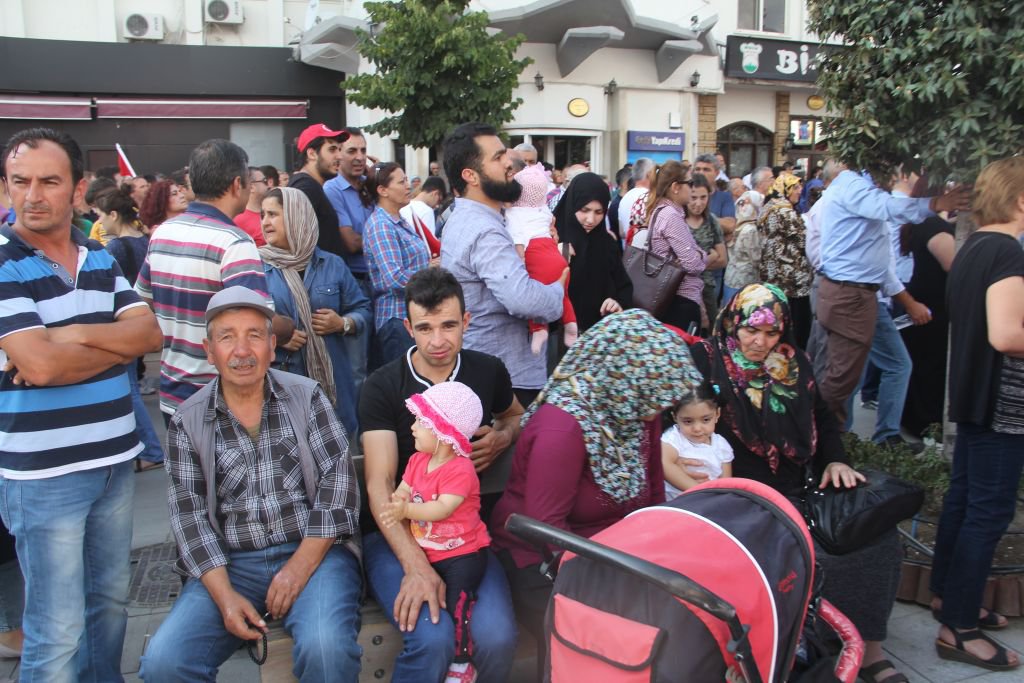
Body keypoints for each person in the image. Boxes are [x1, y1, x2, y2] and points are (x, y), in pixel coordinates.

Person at [0, 127, 163, 681]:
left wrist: (64, 336)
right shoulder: (3, 264)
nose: (33, 195)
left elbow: (149, 335)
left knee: (109, 612)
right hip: (45, 477)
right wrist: (102, 343)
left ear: (76, 190)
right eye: (20, 182)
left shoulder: (97, 256)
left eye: (49, 181)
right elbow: (40, 367)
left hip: (115, 463)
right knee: (56, 632)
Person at [688, 282, 909, 683]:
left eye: (772, 333)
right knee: (813, 557)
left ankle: (869, 645)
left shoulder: (794, 363)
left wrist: (836, 460)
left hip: (796, 490)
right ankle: (805, 645)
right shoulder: (705, 361)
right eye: (751, 330)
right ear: (733, 323)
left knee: (876, 539)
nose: (760, 342)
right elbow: (678, 424)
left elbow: (823, 417)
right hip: (734, 500)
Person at [140, 287, 362, 683]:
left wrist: (297, 569)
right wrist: (225, 599)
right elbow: (189, 519)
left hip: (314, 551)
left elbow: (339, 488)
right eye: (227, 337)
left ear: (272, 346)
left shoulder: (307, 397)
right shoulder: (188, 420)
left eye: (254, 335)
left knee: (327, 648)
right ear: (210, 351)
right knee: (164, 663)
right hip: (232, 563)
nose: (242, 351)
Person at [490, 309, 703, 677]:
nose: (662, 406)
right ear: (626, 377)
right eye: (657, 393)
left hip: (615, 554)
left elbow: (652, 500)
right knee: (606, 631)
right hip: (541, 558)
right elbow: (548, 532)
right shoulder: (564, 429)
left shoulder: (634, 409)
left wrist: (659, 562)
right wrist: (623, 581)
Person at [358, 267, 521, 683]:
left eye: (449, 325)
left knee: (498, 636)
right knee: (432, 638)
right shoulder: (382, 385)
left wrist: (502, 436)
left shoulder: (487, 371)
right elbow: (380, 480)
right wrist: (414, 563)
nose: (437, 341)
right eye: (425, 327)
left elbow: (514, 416)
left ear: (466, 321)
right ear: (408, 326)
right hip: (401, 530)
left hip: (465, 535)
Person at [930, 157, 1024, 672]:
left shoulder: (973, 249)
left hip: (972, 398)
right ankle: (959, 627)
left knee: (967, 502)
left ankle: (949, 597)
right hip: (998, 405)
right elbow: (1006, 335)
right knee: (988, 510)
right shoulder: (1007, 252)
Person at [135, 138, 290, 420]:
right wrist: (289, 327)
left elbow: (143, 304)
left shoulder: (163, 233)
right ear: (236, 185)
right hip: (221, 400)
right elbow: (258, 323)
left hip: (173, 396)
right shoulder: (233, 242)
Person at [815, 163, 968, 424]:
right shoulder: (854, 185)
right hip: (851, 294)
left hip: (860, 294)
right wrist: (936, 203)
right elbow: (886, 208)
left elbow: (878, 263)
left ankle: (840, 439)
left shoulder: (857, 188)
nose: (903, 175)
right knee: (842, 380)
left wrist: (906, 302)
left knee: (855, 374)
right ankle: (819, 441)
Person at [440, 122, 566, 407]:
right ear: (470, 175)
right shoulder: (484, 229)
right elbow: (522, 299)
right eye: (497, 157)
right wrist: (557, 291)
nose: (510, 163)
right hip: (506, 379)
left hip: (495, 370)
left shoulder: (472, 218)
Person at [379, 381, 490, 683]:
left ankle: (462, 663)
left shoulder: (460, 470)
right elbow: (403, 489)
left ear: (442, 434)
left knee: (458, 606)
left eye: (420, 422)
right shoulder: (418, 461)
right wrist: (398, 501)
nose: (412, 427)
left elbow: (441, 509)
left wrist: (406, 511)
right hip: (430, 550)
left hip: (462, 554)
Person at [260, 187, 371, 436]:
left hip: (332, 383)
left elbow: (362, 309)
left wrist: (342, 323)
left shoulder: (331, 264)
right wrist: (276, 334)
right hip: (283, 382)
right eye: (262, 215)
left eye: (273, 214)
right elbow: (246, 322)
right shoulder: (256, 267)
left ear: (297, 216)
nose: (265, 222)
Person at [94, 185, 165, 469]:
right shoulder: (144, 240)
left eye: (101, 215)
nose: (99, 222)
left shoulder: (115, 247)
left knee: (129, 389)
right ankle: (150, 449)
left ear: (113, 214)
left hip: (127, 322)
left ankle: (151, 450)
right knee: (131, 386)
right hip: (146, 319)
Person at [362, 162, 432, 366]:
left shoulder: (398, 220)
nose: (408, 186)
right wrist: (430, 273)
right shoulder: (381, 225)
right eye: (401, 182)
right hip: (395, 317)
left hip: (409, 315)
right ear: (383, 190)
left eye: (407, 180)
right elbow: (394, 278)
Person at [899, 190, 955, 437]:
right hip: (930, 304)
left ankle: (917, 420)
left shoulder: (926, 223)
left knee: (920, 365)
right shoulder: (933, 225)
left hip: (924, 298)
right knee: (928, 367)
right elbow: (953, 263)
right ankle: (924, 423)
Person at [324, 129, 375, 393]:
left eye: (363, 151)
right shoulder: (333, 189)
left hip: (379, 280)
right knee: (357, 367)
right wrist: (383, 239)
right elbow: (351, 242)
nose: (359, 157)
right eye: (352, 151)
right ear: (338, 156)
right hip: (355, 283)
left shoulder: (370, 185)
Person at [508, 163, 577, 351]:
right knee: (563, 295)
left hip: (537, 258)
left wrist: (520, 263)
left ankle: (539, 329)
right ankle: (571, 325)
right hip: (556, 257)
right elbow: (551, 223)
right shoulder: (544, 210)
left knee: (535, 296)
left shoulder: (513, 213)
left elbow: (518, 241)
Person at [553, 170, 631, 333]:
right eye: (584, 210)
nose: (591, 220)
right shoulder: (552, 238)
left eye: (598, 212)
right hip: (559, 336)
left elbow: (623, 286)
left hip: (600, 338)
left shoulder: (607, 243)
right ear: (572, 205)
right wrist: (554, 257)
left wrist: (617, 302)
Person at [644, 160, 707, 331]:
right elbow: (693, 264)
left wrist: (696, 254)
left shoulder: (661, 210)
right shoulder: (671, 215)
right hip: (680, 300)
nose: (692, 188)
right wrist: (702, 255)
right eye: (689, 183)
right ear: (676, 187)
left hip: (672, 298)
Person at [757, 174, 814, 348]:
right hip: (792, 279)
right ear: (786, 189)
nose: (799, 191)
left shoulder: (769, 207)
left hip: (773, 276)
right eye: (795, 188)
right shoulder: (786, 212)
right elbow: (804, 241)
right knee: (795, 326)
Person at [662, 381, 733, 500]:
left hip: (709, 504)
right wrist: (700, 491)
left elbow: (726, 483)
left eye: (705, 420)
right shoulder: (674, 438)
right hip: (676, 505)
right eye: (688, 421)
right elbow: (664, 463)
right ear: (675, 417)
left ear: (717, 414)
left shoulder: (721, 445)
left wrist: (717, 499)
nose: (697, 429)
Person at [288, 123, 349, 257]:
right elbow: (295, 240)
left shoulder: (308, 185)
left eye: (340, 149)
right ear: (312, 154)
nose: (339, 156)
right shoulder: (306, 187)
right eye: (332, 149)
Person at [685, 174, 728, 328]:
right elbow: (678, 264)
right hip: (682, 289)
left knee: (710, 331)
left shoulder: (712, 221)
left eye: (703, 197)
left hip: (707, 289)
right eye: (693, 197)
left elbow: (723, 259)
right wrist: (710, 257)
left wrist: (695, 264)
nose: (698, 203)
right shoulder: (677, 220)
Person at [723, 190, 764, 303]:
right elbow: (756, 259)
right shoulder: (750, 230)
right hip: (743, 281)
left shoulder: (739, 226)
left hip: (732, 277)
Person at [618, 157, 654, 243]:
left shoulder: (625, 197)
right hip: (646, 253)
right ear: (649, 174)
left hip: (629, 251)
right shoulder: (650, 197)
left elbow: (622, 232)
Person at [232, 166, 268, 245]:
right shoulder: (239, 220)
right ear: (251, 187)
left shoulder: (271, 213)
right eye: (265, 181)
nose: (268, 186)